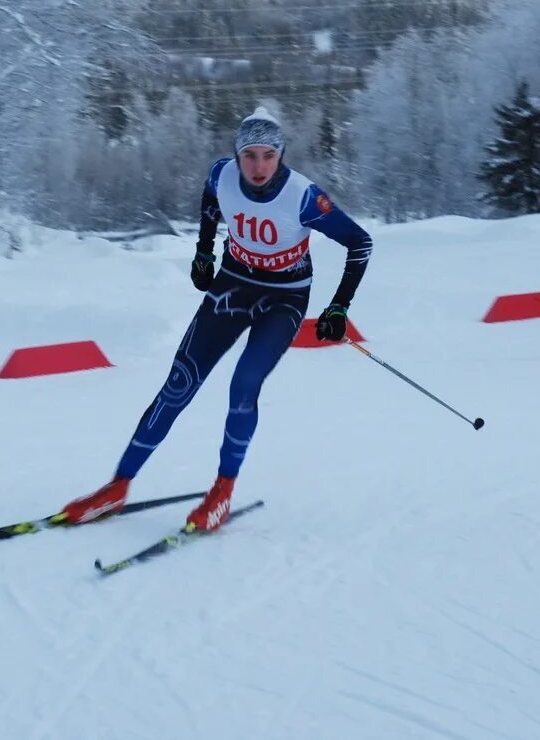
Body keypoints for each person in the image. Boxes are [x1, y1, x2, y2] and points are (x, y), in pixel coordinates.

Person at [60, 108, 373, 532]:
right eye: (250, 156)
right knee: (179, 384)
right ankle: (116, 487)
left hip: (283, 300)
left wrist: (339, 307)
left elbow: (360, 242)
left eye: (267, 156)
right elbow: (210, 202)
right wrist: (204, 251)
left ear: (280, 155)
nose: (259, 166)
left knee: (243, 385)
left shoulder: (302, 196)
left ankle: (222, 493)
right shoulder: (222, 175)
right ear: (237, 156)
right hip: (232, 287)